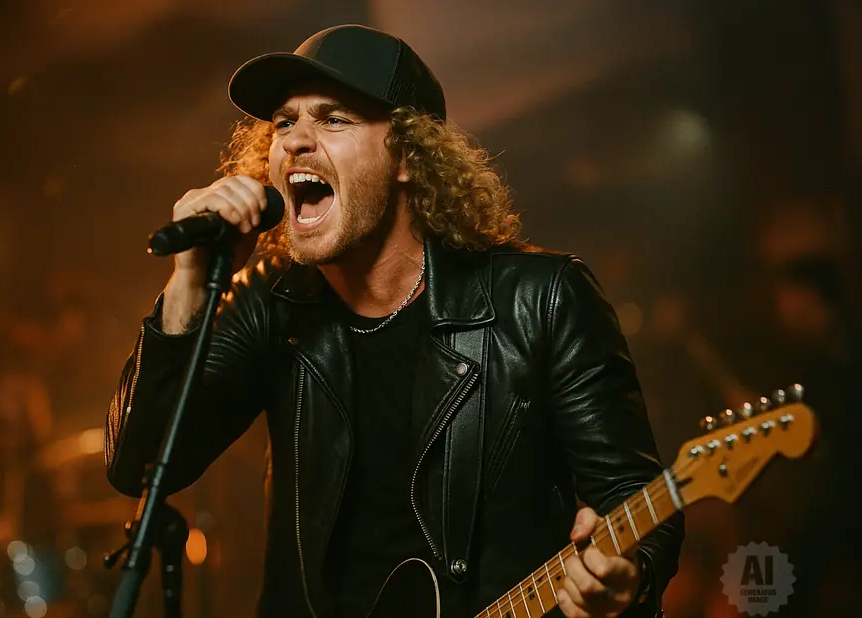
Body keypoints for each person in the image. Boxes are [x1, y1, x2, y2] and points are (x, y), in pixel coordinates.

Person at [104, 24, 684, 618]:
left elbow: (635, 498)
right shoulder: (269, 301)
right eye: (283, 122)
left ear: (410, 156)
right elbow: (139, 464)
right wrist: (190, 283)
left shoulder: (540, 299)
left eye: (333, 119)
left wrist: (625, 573)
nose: (295, 141)